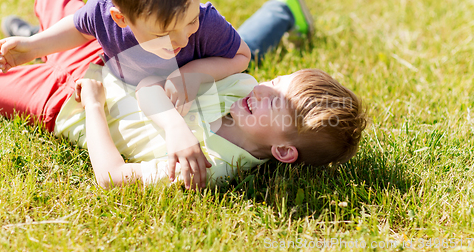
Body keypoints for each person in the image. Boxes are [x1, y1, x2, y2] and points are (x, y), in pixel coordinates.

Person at [0, 0, 255, 190]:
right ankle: (31, 32)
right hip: (99, 63)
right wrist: (33, 46)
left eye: (190, 21)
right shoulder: (103, 12)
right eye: (165, 34)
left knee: (56, 1)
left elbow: (242, 55)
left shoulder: (207, 24)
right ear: (121, 19)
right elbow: (81, 28)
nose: (184, 39)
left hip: (110, 83)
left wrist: (194, 73)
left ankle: (31, 32)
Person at [63, 65, 366, 189]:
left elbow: (113, 177)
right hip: (103, 62)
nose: (261, 90)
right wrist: (175, 128)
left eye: (274, 103)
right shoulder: (240, 86)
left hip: (65, 106)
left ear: (284, 150)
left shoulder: (211, 167)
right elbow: (149, 85)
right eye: (274, 82)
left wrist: (92, 105)